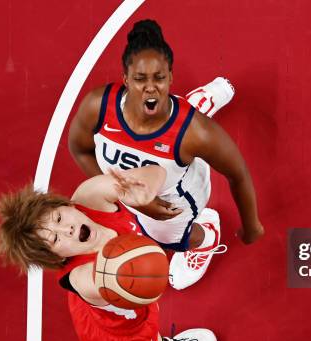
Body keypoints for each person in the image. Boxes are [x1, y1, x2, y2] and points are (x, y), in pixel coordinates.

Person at [68, 19, 264, 290]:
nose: (150, 87)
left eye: (159, 78)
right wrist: (124, 195)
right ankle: (193, 104)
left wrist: (251, 225)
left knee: (170, 240)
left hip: (175, 200)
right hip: (146, 189)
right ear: (125, 79)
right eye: (139, 78)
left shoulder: (196, 133)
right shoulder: (98, 106)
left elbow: (238, 174)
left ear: (171, 77)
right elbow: (79, 149)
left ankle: (205, 240)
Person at [0, 166, 216, 341]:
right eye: (54, 238)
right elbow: (148, 288)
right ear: (56, 256)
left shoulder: (89, 197)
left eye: (58, 218)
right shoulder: (83, 278)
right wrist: (151, 267)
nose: (67, 229)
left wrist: (144, 188)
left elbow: (155, 171)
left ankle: (207, 237)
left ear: (67, 205)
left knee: (165, 225)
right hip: (121, 331)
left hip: (136, 270)